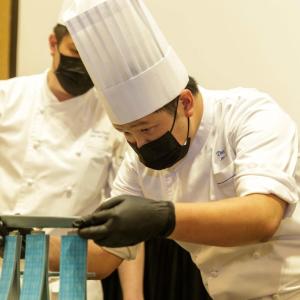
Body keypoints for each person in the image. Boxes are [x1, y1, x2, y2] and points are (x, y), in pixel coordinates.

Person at [65, 0, 300, 299]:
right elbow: (103, 258)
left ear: (185, 103)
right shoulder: (137, 165)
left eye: (146, 128)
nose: (139, 144)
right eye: (126, 133)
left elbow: (262, 217)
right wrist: (21, 245)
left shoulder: (250, 114)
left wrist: (164, 218)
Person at [0, 1, 144, 299]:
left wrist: (134, 297)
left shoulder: (115, 120)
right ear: (54, 44)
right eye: (77, 53)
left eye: (94, 60)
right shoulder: (7, 99)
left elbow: (127, 216)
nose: (84, 67)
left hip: (73, 279)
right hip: (3, 270)